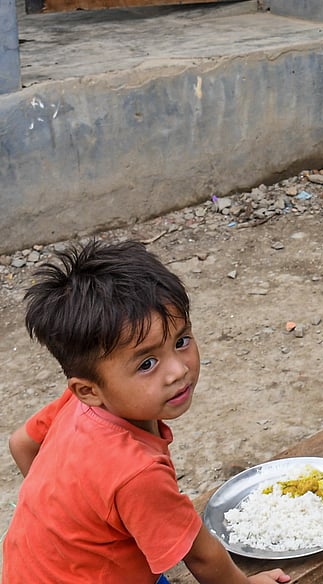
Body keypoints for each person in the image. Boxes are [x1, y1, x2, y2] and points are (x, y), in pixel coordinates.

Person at [2, 240, 289, 584]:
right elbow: (199, 555)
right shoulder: (135, 471)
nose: (178, 371)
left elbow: (22, 444)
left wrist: (64, 516)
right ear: (89, 389)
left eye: (182, 341)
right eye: (147, 363)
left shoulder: (77, 403)